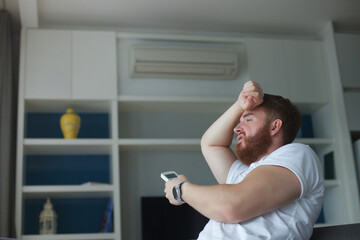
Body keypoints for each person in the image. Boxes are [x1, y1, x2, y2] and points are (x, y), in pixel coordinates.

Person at [164, 80, 324, 240]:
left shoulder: (298, 154)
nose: (236, 128)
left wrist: (181, 190)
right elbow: (211, 144)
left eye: (248, 120)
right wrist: (240, 105)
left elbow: (231, 206)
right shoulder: (243, 175)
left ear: (275, 127)